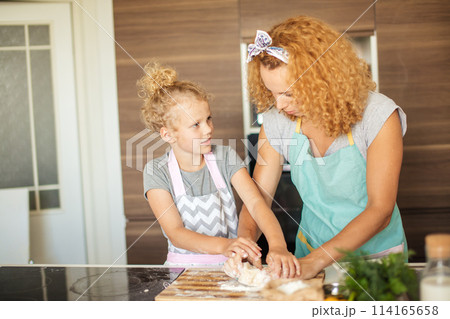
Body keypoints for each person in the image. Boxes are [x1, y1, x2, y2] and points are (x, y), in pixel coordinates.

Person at [230, 16, 408, 279]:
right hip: (309, 254)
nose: (279, 105)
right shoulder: (278, 121)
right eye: (273, 93)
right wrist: (245, 244)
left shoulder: (378, 115)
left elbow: (380, 210)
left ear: (322, 80)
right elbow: (258, 198)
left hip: (377, 261)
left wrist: (316, 262)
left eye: (288, 93)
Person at [138, 62, 299, 275]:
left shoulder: (225, 157)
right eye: (196, 125)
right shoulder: (156, 172)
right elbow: (176, 233)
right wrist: (225, 246)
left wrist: (278, 245)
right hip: (183, 272)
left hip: (233, 265)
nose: (208, 130)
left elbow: (256, 204)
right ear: (168, 134)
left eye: (208, 119)